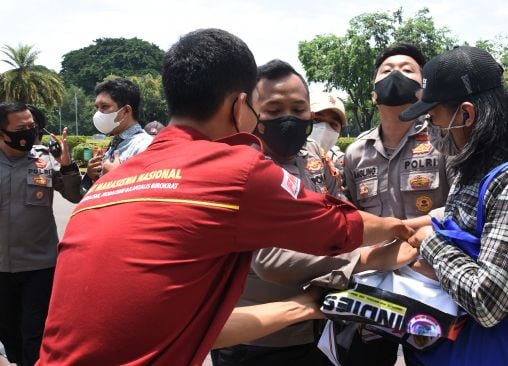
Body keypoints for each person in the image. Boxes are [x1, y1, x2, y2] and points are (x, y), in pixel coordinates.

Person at [37, 28, 413, 365]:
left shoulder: (112, 183)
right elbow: (341, 227)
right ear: (239, 106)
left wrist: (302, 308)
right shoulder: (236, 170)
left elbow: (191, 326)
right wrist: (401, 228)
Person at [213, 59, 418, 366]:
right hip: (257, 337)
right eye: (273, 109)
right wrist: (368, 258)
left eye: (298, 109)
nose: (289, 119)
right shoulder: (237, 167)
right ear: (249, 112)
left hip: (319, 323)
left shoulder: (313, 156)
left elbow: (339, 218)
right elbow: (270, 257)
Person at [402, 46, 508, 365]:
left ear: (466, 114)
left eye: (434, 118)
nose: (430, 128)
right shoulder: (473, 170)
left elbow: (488, 299)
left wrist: (430, 244)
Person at [340, 42, 450, 365]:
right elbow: (352, 217)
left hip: (431, 290)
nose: (395, 75)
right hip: (374, 292)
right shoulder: (355, 153)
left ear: (422, 89)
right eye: (386, 71)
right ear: (373, 94)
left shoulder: (444, 142)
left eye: (407, 70)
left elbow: (461, 212)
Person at [0, 102, 82, 366]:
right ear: (2, 133)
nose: (30, 131)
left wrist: (68, 166)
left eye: (32, 125)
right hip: (1, 269)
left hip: (40, 267)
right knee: (9, 334)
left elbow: (73, 194)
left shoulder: (44, 158)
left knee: (35, 335)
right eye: (21, 128)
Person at [81, 77, 153, 194]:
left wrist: (118, 178)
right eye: (97, 107)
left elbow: (149, 194)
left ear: (125, 111)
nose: (98, 113)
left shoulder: (144, 147)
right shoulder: (115, 144)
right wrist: (91, 176)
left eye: (104, 107)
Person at [309, 90, 347, 177]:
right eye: (317, 120)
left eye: (333, 124)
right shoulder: (285, 160)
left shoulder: (339, 163)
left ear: (339, 134)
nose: (324, 128)